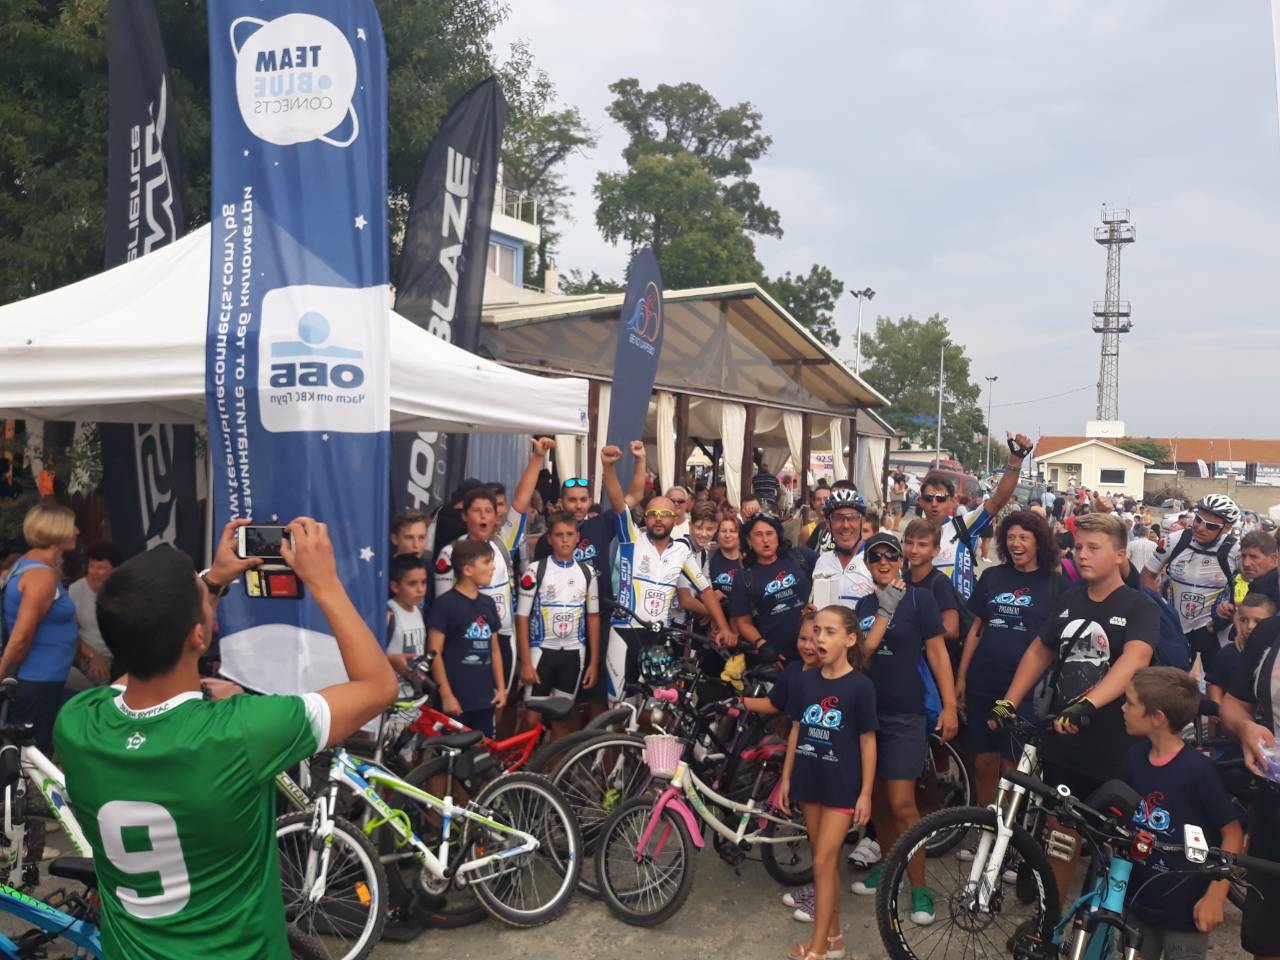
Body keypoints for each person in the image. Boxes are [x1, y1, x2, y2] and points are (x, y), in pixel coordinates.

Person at [54, 517, 397, 959]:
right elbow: (378, 687)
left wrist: (211, 583)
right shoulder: (242, 731)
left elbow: (139, 658)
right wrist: (325, 583)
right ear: (199, 634)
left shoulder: (77, 722)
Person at [991, 512, 1157, 906]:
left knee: (1110, 847)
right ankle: (1049, 923)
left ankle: (1098, 926)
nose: (1082, 555)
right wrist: (1008, 700)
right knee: (1060, 836)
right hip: (1064, 740)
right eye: (1079, 546)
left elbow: (1135, 659)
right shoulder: (1069, 599)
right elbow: (1040, 650)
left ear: (1120, 555)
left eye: (1093, 548)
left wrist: (1088, 703)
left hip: (1114, 745)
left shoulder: (1139, 606)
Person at [850, 533, 955, 923]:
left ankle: (919, 886)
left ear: (900, 560)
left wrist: (949, 706)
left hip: (904, 714)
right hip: (866, 716)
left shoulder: (919, 600)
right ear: (866, 563)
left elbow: (938, 652)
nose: (882, 561)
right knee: (877, 800)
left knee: (902, 803)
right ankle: (889, 867)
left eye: (889, 555)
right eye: (874, 555)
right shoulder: (862, 605)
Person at [1122, 668, 1243, 960]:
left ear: (1157, 717)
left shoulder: (1197, 771)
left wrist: (1215, 897)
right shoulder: (1134, 757)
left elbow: (1233, 833)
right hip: (1138, 904)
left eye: (1130, 703)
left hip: (1186, 913)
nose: (1123, 709)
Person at [778, 606, 877, 960]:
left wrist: (866, 793)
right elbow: (796, 729)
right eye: (817, 630)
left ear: (850, 639)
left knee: (822, 861)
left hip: (841, 785)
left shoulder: (861, 686)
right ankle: (833, 938)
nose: (820, 638)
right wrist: (786, 778)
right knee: (825, 863)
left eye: (829, 632)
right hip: (809, 779)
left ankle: (818, 949)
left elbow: (868, 741)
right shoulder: (805, 681)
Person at [434, 438, 550, 735]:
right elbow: (443, 610)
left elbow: (521, 502)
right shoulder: (450, 553)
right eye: (477, 511)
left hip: (502, 638)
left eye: (489, 510)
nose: (484, 516)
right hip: (462, 644)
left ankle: (491, 760)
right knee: (458, 721)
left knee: (496, 709)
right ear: (465, 516)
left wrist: (537, 458)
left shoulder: (503, 542)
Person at [600, 443, 731, 698]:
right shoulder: (631, 539)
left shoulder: (682, 551)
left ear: (676, 518)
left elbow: (705, 591)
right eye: (653, 514)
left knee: (654, 706)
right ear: (645, 518)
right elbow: (618, 502)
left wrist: (723, 626)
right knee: (618, 704)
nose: (659, 518)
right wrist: (608, 467)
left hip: (659, 636)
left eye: (665, 514)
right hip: (624, 632)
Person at [956, 510, 1062, 809]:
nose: (1016, 543)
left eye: (1024, 538)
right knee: (983, 762)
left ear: (1038, 542)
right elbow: (976, 630)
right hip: (983, 684)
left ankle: (1008, 827)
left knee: (1011, 766)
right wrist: (961, 677)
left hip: (1024, 691)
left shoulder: (1055, 584)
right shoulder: (993, 576)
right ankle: (983, 822)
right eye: (1011, 537)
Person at [535, 469, 642, 717]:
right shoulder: (547, 540)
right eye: (572, 500)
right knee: (562, 701)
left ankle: (593, 739)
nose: (578, 505)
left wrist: (638, 460)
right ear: (561, 502)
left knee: (598, 694)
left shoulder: (600, 524)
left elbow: (635, 494)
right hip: (562, 626)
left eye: (583, 499)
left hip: (600, 621)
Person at [1220, 600, 1280, 960]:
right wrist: (1245, 728)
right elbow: (1234, 703)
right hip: (1273, 804)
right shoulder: (1270, 632)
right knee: (1268, 937)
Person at [0, 500, 81, 753]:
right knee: (33, 757)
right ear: (56, 530)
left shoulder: (30, 566)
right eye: (72, 526)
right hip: (38, 682)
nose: (77, 531)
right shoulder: (41, 577)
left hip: (44, 680)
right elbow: (21, 637)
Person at [917, 432, 1034, 601]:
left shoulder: (964, 524)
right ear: (920, 501)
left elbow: (998, 500)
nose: (934, 503)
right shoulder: (911, 535)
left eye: (941, 498)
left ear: (953, 501)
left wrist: (1016, 461)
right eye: (929, 498)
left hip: (962, 611)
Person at [516, 511, 600, 738]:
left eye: (569, 534)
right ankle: (520, 760)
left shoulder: (588, 572)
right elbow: (522, 617)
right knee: (531, 718)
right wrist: (526, 663)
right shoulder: (535, 570)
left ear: (577, 537)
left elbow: (593, 617)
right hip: (541, 652)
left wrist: (593, 662)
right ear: (550, 538)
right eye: (559, 535)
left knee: (562, 719)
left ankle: (554, 763)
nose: (564, 540)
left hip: (574, 653)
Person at [1141, 494, 1241, 672]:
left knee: (1213, 683)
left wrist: (1232, 610)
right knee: (1170, 681)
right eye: (1198, 520)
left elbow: (1254, 587)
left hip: (1212, 630)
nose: (1200, 528)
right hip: (1175, 627)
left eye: (1211, 526)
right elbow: (1147, 575)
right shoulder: (1176, 540)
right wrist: (1158, 612)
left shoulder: (1235, 550)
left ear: (1227, 528)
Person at [427, 539, 506, 735]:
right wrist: (446, 696)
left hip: (485, 699)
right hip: (456, 700)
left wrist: (501, 688)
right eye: (486, 562)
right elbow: (434, 653)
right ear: (468, 570)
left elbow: (495, 649)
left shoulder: (488, 603)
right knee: (452, 752)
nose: (492, 567)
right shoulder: (444, 604)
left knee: (482, 749)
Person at [730, 513, 817, 663]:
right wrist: (762, 645)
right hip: (780, 657)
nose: (765, 540)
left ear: (778, 536)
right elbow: (743, 622)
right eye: (758, 534)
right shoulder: (743, 577)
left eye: (770, 533)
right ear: (749, 540)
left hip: (816, 646)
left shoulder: (801, 556)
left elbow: (830, 577)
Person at [67, 541, 122, 688]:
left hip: (120, 655)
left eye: (100, 568)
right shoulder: (76, 590)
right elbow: (70, 630)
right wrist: (92, 655)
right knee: (100, 677)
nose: (94, 572)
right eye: (91, 566)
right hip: (88, 653)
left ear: (115, 570)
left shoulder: (124, 591)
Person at [901, 519, 962, 652]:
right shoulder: (902, 578)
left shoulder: (940, 582)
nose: (914, 550)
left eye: (922, 545)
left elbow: (952, 629)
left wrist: (912, 634)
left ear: (935, 550)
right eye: (909, 543)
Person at [810, 489, 874, 613]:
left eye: (853, 518)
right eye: (838, 518)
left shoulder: (878, 561)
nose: (845, 525)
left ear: (862, 522)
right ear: (828, 524)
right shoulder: (822, 562)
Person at [386, 553, 428, 693]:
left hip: (413, 695)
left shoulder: (419, 611)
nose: (420, 590)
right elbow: (367, 653)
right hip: (391, 698)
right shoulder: (388, 613)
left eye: (424, 582)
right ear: (395, 586)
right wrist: (390, 658)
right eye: (412, 584)